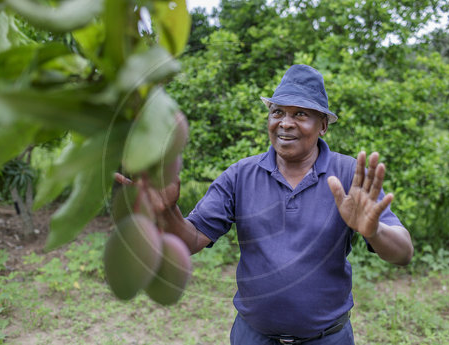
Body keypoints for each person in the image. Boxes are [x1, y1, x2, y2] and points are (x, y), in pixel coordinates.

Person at [117, 64, 414, 344]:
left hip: (327, 338)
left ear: (323, 125)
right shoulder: (239, 176)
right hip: (253, 336)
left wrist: (373, 231)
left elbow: (403, 252)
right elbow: (191, 240)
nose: (285, 123)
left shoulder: (349, 175)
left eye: (300, 114)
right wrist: (168, 211)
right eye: (277, 112)